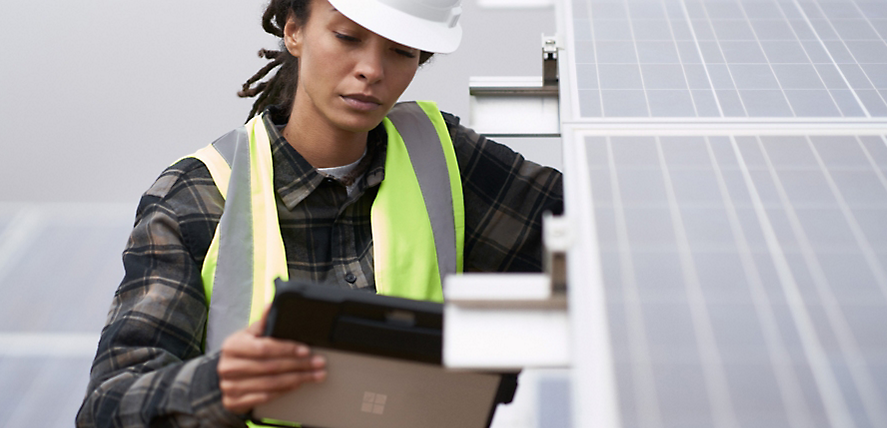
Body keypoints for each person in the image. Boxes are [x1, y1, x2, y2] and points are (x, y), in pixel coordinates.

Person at [76, 0, 563, 426]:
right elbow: (109, 405)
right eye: (347, 37)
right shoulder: (198, 199)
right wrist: (217, 383)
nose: (372, 69)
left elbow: (606, 235)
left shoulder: (446, 158)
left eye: (402, 51)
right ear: (293, 29)